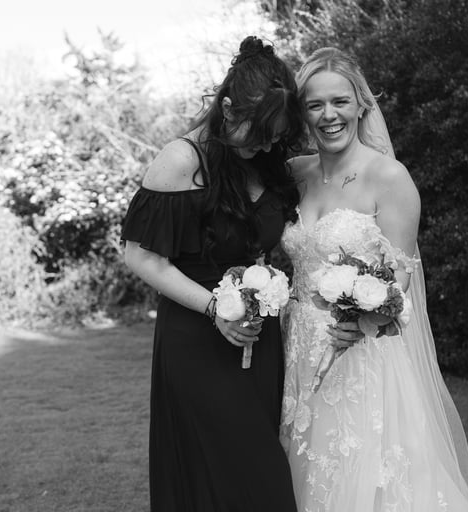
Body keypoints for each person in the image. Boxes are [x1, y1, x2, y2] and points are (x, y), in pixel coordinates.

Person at [279, 47, 468, 511]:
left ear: (361, 105)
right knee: (303, 472)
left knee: (366, 477)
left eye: (340, 102)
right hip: (297, 352)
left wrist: (361, 321)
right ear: (302, 113)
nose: (328, 115)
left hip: (360, 355)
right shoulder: (295, 174)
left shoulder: (389, 177)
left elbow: (400, 277)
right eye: (315, 105)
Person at [121, 36, 303, 511]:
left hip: (258, 339)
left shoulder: (267, 162)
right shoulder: (182, 160)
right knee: (254, 480)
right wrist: (215, 308)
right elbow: (141, 257)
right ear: (227, 108)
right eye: (259, 132)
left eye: (276, 136)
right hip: (197, 338)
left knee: (244, 471)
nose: (267, 144)